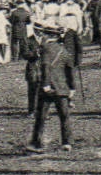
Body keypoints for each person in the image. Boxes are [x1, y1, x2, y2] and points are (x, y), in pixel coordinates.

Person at [27, 21, 77, 152]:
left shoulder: (46, 49)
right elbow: (70, 70)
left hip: (48, 89)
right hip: (62, 88)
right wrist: (72, 88)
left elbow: (45, 67)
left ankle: (36, 142)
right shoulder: (64, 50)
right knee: (64, 116)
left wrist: (46, 84)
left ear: (48, 35)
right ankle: (67, 142)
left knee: (41, 116)